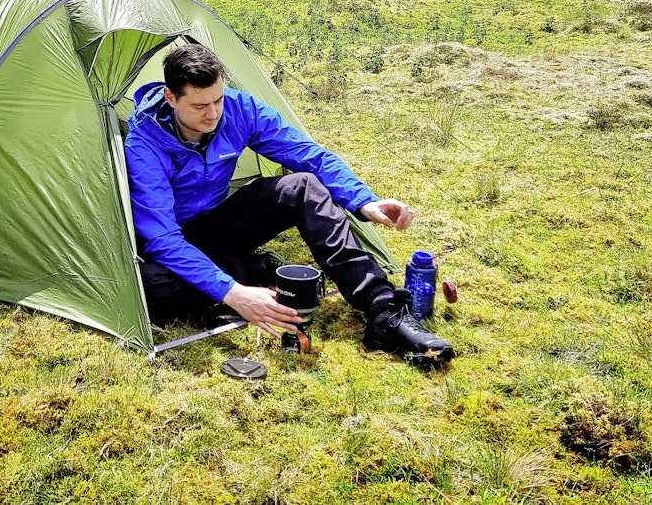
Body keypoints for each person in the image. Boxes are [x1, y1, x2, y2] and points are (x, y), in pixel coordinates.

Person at [124, 43, 454, 367]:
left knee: (302, 186)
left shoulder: (240, 110)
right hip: (174, 239)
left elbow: (310, 156)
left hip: (219, 223)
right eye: (199, 106)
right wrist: (234, 293)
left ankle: (383, 311)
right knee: (151, 287)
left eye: (218, 99)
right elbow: (162, 239)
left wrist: (364, 201)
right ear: (171, 97)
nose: (212, 113)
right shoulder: (144, 143)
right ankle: (251, 274)